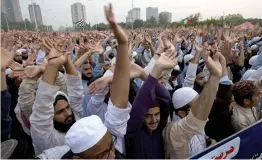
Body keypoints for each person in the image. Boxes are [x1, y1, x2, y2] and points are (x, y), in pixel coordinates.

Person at [163, 47, 224, 158]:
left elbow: (190, 82)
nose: (201, 110)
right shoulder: (174, 131)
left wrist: (209, 145)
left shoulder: (192, 123)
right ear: (181, 113)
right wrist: (215, 77)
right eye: (196, 107)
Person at [29, 38, 84, 152]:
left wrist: (66, 59)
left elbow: (76, 92)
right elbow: (43, 106)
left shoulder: (76, 117)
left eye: (67, 107)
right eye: (60, 112)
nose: (68, 113)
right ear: (50, 116)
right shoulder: (47, 138)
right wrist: (53, 66)